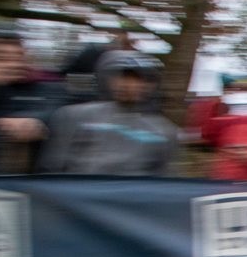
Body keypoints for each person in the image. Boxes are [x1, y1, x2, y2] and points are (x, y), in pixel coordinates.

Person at [39, 50, 179, 176]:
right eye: (122, 76)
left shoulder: (163, 132)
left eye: (138, 78)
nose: (130, 84)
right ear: (106, 78)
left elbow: (165, 182)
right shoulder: (73, 117)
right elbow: (52, 171)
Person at [0, 28, 63, 174]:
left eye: (18, 56)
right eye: (0, 57)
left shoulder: (47, 86)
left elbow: (58, 112)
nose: (12, 63)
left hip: (27, 180)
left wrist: (35, 120)